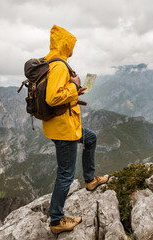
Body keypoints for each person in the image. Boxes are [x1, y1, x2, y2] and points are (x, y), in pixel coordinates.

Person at [42, 25, 109, 234]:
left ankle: (90, 180)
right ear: (65, 45)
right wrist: (74, 86)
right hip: (64, 129)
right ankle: (56, 220)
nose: (73, 49)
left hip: (65, 124)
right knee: (66, 174)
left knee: (91, 138)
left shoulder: (48, 62)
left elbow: (58, 93)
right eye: (71, 45)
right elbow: (52, 98)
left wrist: (74, 90)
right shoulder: (60, 66)